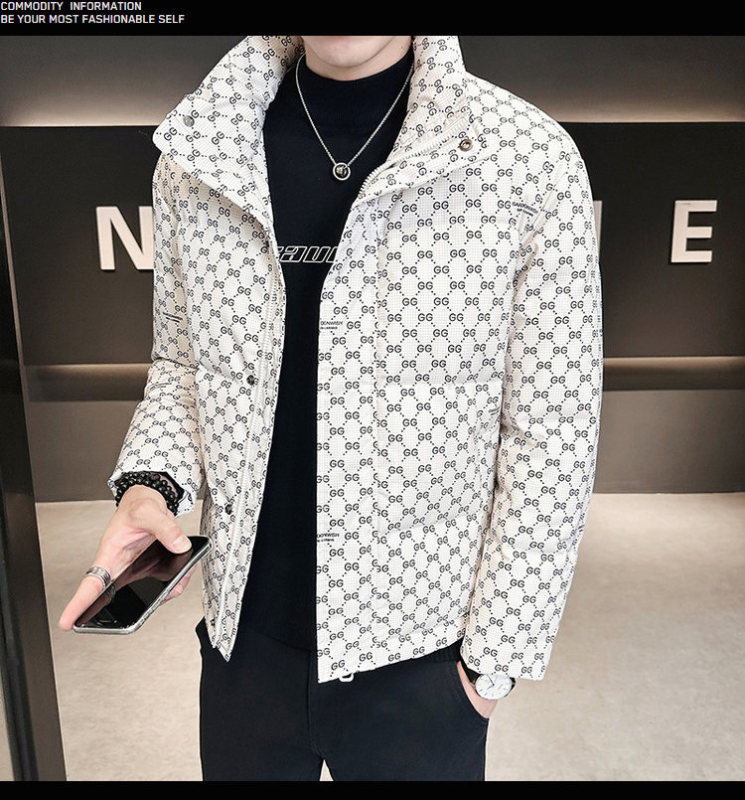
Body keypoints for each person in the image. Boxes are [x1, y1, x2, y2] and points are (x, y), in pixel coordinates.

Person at [59, 35, 603, 781]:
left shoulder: (523, 158)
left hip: (421, 656)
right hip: (245, 645)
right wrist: (151, 484)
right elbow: (183, 363)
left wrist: (492, 663)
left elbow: (553, 428)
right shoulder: (202, 151)